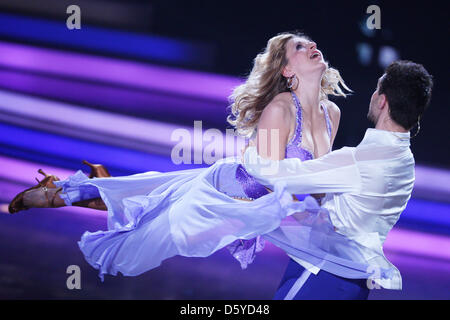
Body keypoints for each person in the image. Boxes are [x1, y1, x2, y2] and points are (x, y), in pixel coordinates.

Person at [243, 60, 433, 299]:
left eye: (377, 90)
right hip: (356, 283)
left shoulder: (359, 161)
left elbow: (280, 176)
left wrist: (252, 150)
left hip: (324, 274)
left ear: (382, 101)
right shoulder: (406, 161)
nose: (373, 95)